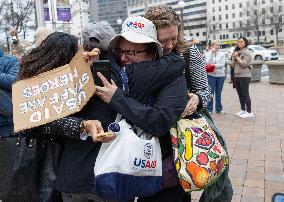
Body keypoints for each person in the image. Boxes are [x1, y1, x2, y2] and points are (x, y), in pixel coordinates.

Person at [231, 36, 253, 118]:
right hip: (236, 76)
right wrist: (234, 57)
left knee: (245, 94)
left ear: (245, 43)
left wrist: (237, 57)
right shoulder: (237, 51)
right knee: (240, 94)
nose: (239, 43)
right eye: (238, 41)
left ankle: (249, 112)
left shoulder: (247, 52)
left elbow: (244, 64)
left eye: (241, 42)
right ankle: (243, 109)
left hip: (244, 76)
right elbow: (232, 66)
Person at [205, 40, 226, 114]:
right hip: (211, 75)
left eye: (218, 45)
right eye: (216, 45)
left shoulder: (222, 54)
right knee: (211, 93)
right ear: (212, 46)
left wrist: (213, 66)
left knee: (218, 93)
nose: (217, 46)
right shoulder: (207, 53)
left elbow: (222, 64)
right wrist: (212, 54)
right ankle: (209, 109)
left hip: (220, 75)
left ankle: (219, 109)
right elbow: (208, 63)